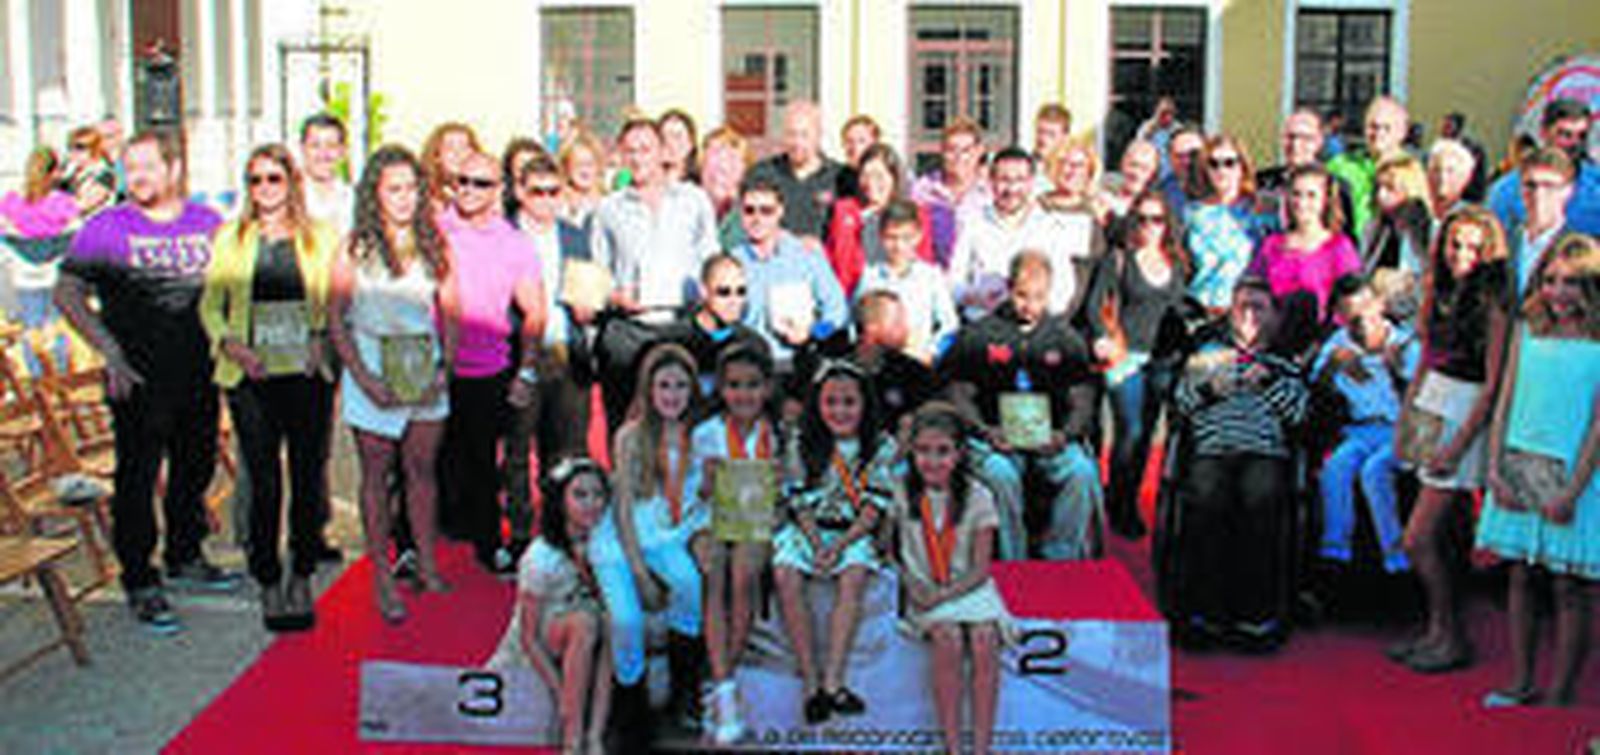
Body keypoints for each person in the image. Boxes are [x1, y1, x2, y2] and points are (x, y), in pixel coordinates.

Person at [55, 129, 239, 633]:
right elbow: (67, 294)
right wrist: (108, 351)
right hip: (135, 379)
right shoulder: (104, 228)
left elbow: (232, 290)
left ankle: (185, 554)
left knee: (194, 469)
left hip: (199, 375)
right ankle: (140, 578)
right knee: (136, 479)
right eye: (129, 167)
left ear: (174, 169)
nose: (136, 177)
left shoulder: (209, 223)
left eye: (147, 166)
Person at [198, 144, 340, 631]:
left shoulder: (320, 237)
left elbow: (336, 299)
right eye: (255, 180)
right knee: (262, 477)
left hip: (304, 373)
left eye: (273, 179)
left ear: (291, 183)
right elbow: (210, 305)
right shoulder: (232, 237)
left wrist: (322, 340)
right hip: (250, 375)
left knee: (306, 473)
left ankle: (301, 571)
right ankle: (267, 574)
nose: (264, 190)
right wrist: (230, 343)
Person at [327, 145, 457, 623]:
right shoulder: (354, 246)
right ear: (375, 194)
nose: (404, 198)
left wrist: (447, 368)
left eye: (411, 188)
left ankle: (425, 562)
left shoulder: (434, 243)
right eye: (394, 189)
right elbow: (336, 317)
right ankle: (382, 575)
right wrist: (362, 377)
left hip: (423, 365)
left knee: (422, 470)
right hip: (372, 365)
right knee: (376, 476)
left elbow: (452, 310)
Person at [1477, 232, 1600, 708]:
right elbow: (1505, 398)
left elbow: (1597, 424)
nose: (1557, 292)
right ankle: (1521, 680)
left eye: (1571, 282)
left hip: (1579, 477)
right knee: (1522, 576)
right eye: (1550, 280)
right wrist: (1493, 466)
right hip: (1518, 466)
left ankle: (1562, 691)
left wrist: (1572, 489)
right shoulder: (1527, 327)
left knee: (1569, 585)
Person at [1388, 206, 1511, 673]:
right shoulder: (1437, 290)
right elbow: (1424, 360)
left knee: (1418, 538)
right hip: (1432, 400)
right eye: (1454, 244)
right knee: (1441, 536)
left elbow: (1493, 382)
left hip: (1467, 410)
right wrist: (1406, 420)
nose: (1461, 255)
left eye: (1472, 247)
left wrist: (1459, 445)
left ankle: (1452, 635)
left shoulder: (1494, 300)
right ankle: (1439, 632)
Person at [1169, 278, 1309, 651]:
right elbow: (1180, 405)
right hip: (1212, 449)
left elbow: (1299, 415)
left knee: (1259, 498)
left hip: (1263, 451)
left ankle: (1256, 614)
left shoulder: (1284, 363)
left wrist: (1269, 384)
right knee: (1206, 498)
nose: (1248, 315)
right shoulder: (1206, 354)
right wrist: (1211, 389)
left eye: (1258, 307)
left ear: (1273, 317)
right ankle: (1206, 612)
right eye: (1242, 306)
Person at [942, 251, 1103, 560]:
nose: (1030, 306)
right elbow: (958, 394)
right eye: (1021, 295)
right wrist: (985, 430)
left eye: (1039, 297)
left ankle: (1061, 556)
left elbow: (1082, 399)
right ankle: (1012, 559)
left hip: (1051, 439)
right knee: (1000, 474)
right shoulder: (979, 335)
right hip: (995, 437)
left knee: (1081, 471)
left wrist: (1066, 434)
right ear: (1007, 286)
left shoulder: (1066, 338)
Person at [436, 151, 547, 575]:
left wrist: (528, 369)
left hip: (487, 366)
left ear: (498, 189)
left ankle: (487, 543)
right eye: (461, 180)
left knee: (481, 462)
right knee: (429, 462)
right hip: (431, 364)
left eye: (480, 183)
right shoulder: (434, 229)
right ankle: (422, 546)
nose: (467, 190)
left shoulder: (513, 241)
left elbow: (534, 311)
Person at [592, 344, 707, 735]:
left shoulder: (700, 435)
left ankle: (682, 694)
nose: (672, 395)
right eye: (663, 386)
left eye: (680, 385)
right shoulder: (630, 435)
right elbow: (622, 506)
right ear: (649, 390)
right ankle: (631, 715)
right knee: (625, 620)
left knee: (689, 586)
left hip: (670, 535)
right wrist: (638, 569)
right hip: (623, 539)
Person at [773, 360, 894, 724]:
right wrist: (815, 542)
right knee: (784, 574)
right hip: (808, 528)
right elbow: (797, 498)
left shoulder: (880, 445)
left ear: (864, 405)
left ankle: (833, 680)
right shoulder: (801, 441)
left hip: (852, 531)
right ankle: (810, 680)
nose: (839, 411)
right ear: (817, 404)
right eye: (830, 402)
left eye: (849, 402)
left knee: (854, 575)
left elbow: (875, 506)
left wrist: (840, 546)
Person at [891, 402, 1008, 755]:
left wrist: (945, 596)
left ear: (959, 454)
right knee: (947, 638)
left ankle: (982, 747)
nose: (932, 461)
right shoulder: (898, 491)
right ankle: (953, 746)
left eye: (943, 451)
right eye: (923, 451)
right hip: (922, 587)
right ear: (910, 452)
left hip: (968, 588)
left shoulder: (979, 495)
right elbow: (887, 551)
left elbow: (981, 568)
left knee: (986, 638)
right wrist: (911, 585)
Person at [686, 343, 787, 744]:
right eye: (734, 386)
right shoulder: (706, 434)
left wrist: (779, 482)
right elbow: (694, 494)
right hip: (711, 520)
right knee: (714, 568)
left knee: (744, 571)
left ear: (766, 389)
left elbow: (793, 488)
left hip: (760, 522)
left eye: (752, 385)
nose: (743, 395)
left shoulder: (777, 433)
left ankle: (720, 683)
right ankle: (724, 687)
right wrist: (708, 483)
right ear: (721, 390)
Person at [1085, 190, 1193, 539]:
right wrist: (1102, 337)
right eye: (1143, 219)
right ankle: (1118, 503)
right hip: (1126, 355)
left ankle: (1127, 499)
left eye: (1157, 219)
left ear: (1167, 224)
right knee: (1129, 431)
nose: (1150, 226)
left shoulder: (1177, 262)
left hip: (1165, 358)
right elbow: (1095, 304)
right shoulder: (1119, 258)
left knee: (1147, 434)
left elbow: (1183, 307)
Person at [488, 457, 614, 754]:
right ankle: (572, 737)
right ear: (561, 501)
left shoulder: (605, 543)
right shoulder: (541, 556)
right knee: (584, 623)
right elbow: (528, 637)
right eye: (580, 495)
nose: (591, 504)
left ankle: (595, 735)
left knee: (612, 624)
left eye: (598, 495)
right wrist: (561, 694)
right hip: (545, 638)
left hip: (586, 627)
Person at [505, 151, 595, 555]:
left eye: (553, 191)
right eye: (536, 192)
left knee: (569, 448)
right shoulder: (504, 235)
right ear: (520, 192)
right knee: (518, 450)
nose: (545, 200)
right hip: (519, 352)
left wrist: (589, 309)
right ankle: (522, 533)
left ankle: (565, 530)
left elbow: (591, 292)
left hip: (566, 350)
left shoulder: (575, 236)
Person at [1311, 276, 1417, 574]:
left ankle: (1395, 556)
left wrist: (1395, 373)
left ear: (1379, 306)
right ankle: (1335, 551)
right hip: (1359, 428)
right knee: (1337, 467)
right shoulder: (1339, 343)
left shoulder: (1404, 343)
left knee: (1375, 471)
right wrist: (1333, 367)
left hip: (1401, 430)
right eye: (1351, 317)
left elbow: (1421, 403)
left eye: (1366, 313)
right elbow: (1316, 388)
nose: (1360, 325)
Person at [591, 117, 719, 313]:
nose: (637, 159)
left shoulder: (694, 200)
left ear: (662, 153)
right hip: (633, 321)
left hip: (685, 318)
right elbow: (599, 271)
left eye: (645, 150)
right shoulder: (608, 209)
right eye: (630, 151)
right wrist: (616, 297)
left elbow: (711, 257)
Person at [947, 147, 1088, 321]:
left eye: (1019, 180)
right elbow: (954, 282)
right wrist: (977, 296)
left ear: (1031, 183)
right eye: (1004, 180)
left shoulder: (1049, 227)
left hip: (1033, 329)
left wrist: (1034, 307)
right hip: (985, 325)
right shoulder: (974, 224)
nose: (1012, 189)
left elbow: (1063, 288)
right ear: (991, 181)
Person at [730, 176, 848, 375]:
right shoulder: (732, 262)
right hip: (749, 370)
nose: (757, 218)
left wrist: (813, 332)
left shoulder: (807, 257)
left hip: (799, 365)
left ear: (780, 211)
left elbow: (838, 313)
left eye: (766, 211)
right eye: (749, 210)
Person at [1246, 164, 1361, 321]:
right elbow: (1253, 288)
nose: (1301, 203)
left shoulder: (1339, 247)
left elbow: (1352, 301)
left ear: (1325, 200)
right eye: (1296, 194)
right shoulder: (1271, 245)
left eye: (1311, 195)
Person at [0, 146, 80, 373]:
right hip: (56, 271)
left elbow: (4, 230)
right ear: (53, 173)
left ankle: (37, 379)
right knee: (55, 324)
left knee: (31, 324)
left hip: (25, 274)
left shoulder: (12, 200)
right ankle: (60, 377)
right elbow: (77, 232)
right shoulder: (63, 202)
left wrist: (22, 243)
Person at [855, 199, 958, 363]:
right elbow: (855, 321)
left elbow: (949, 324)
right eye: (891, 238)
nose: (899, 246)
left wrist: (932, 351)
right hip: (878, 359)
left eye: (906, 238)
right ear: (881, 236)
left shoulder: (930, 276)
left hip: (917, 357)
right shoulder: (870, 276)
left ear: (918, 236)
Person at [825, 143, 934, 297]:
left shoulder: (914, 213)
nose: (871, 182)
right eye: (865, 175)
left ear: (894, 177)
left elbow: (923, 260)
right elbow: (833, 257)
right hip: (852, 297)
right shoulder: (844, 211)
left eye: (879, 175)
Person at [1185, 134, 1274, 314]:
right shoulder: (1193, 213)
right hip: (1200, 308)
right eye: (1213, 164)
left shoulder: (1261, 212)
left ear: (1242, 167)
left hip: (1247, 312)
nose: (1221, 170)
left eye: (1229, 163)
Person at [1487, 98, 1600, 235]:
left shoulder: (1596, 184)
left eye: (1582, 136)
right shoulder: (1508, 189)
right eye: (1565, 135)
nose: (1574, 144)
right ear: (1544, 132)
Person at [746, 100, 847, 249]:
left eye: (804, 135)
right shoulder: (762, 173)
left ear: (819, 135)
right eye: (791, 134)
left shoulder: (841, 178)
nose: (797, 142)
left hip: (823, 266)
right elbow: (748, 221)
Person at [911, 118, 992, 267]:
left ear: (979, 151)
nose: (958, 157)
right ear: (941, 151)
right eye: (951, 149)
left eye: (966, 150)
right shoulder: (923, 190)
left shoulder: (991, 191)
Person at [1327, 96, 1411, 238]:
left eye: (1386, 127)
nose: (1378, 133)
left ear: (1402, 132)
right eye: (1373, 126)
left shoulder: (1411, 171)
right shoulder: (1341, 165)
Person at [1510, 147, 1578, 296]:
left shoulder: (1578, 249)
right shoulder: (1505, 241)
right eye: (1530, 185)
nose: (1538, 195)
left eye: (1549, 186)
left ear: (1568, 191)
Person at [1362, 154, 1432, 277]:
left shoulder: (1428, 230)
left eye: (1390, 188)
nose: (1381, 195)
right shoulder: (1373, 228)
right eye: (1378, 187)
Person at [699, 125, 755, 248]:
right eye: (715, 156)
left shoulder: (754, 215)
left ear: (744, 171)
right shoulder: (684, 207)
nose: (723, 166)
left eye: (732, 159)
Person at [298, 112, 354, 235]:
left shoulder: (353, 200)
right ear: (302, 148)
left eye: (331, 146)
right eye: (315, 146)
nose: (323, 154)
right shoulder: (289, 197)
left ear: (343, 151)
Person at [419, 122, 483, 214]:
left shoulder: (489, 192)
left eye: (463, 147)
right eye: (450, 148)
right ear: (437, 156)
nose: (458, 153)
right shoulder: (426, 197)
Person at [559, 129, 609, 230]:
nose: (584, 170)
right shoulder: (558, 203)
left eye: (589, 164)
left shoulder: (608, 203)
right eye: (578, 164)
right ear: (566, 167)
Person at [1427, 138, 1477, 220]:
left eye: (1450, 171)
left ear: (1465, 177)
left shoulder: (1470, 218)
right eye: (1436, 170)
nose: (1442, 177)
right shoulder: (1419, 214)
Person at [659, 109, 700, 185]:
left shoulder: (700, 183)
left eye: (677, 136)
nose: (670, 143)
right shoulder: (646, 178)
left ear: (690, 144)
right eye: (664, 137)